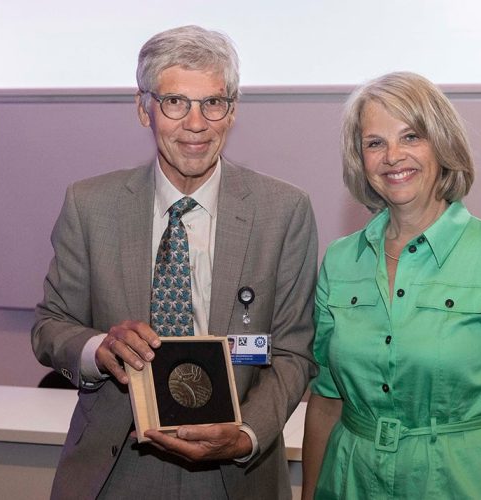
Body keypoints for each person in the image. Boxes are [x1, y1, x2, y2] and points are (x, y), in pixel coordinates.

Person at [32, 25, 318, 500]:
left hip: (236, 476)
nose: (196, 123)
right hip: (115, 467)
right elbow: (49, 327)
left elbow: (292, 351)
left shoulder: (284, 211)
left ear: (233, 111)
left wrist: (245, 433)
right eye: (175, 102)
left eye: (213, 102)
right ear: (143, 109)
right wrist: (99, 348)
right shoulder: (90, 205)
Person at [302, 72, 481, 500]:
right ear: (359, 158)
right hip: (351, 483)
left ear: (442, 144)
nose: (392, 156)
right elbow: (327, 399)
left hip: (459, 483)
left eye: (411, 137)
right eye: (375, 143)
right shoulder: (341, 260)